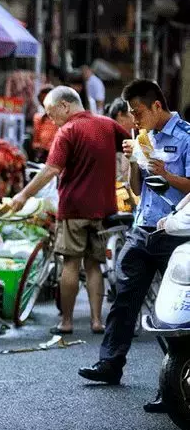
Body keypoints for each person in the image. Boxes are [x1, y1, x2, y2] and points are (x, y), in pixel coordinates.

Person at [79, 80, 190, 412]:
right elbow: (137, 189)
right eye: (130, 114)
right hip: (143, 228)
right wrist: (134, 161)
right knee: (125, 296)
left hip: (176, 232)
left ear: (156, 106)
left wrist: (166, 174)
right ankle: (110, 364)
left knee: (170, 313)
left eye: (138, 112)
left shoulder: (186, 137)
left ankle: (174, 384)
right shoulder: (146, 137)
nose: (134, 120)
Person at [10, 86, 129, 336]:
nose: (51, 120)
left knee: (71, 264)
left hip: (74, 208)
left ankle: (66, 322)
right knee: (95, 265)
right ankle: (97, 321)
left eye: (52, 113)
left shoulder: (68, 131)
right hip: (104, 209)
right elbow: (131, 141)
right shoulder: (108, 125)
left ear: (65, 105)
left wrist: (23, 195)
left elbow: (51, 170)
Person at [106, 98, 134, 183]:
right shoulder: (108, 139)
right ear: (120, 115)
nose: (135, 116)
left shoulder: (133, 136)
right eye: (132, 113)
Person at [32, 85, 57, 162]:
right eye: (43, 101)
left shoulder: (62, 119)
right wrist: (42, 147)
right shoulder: (38, 118)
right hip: (43, 156)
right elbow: (35, 143)